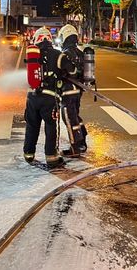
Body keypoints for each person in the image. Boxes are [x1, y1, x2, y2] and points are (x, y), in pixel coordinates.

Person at [23, 27, 76, 168]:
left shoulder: (33, 55)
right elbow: (72, 70)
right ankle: (51, 157)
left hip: (32, 98)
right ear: (49, 39)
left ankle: (28, 154)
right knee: (51, 126)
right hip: (49, 98)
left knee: (32, 126)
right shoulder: (58, 54)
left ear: (36, 39)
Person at [56, 24, 88, 157]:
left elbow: (66, 72)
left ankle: (75, 148)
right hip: (78, 91)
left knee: (69, 119)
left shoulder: (65, 54)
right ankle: (82, 142)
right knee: (75, 117)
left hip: (68, 91)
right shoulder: (80, 53)